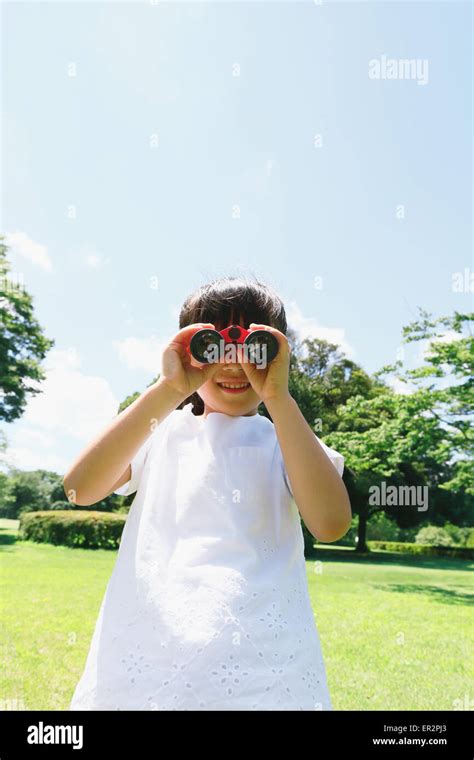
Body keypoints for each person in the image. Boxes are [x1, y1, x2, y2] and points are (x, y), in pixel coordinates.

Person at [65, 275, 351, 711]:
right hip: (153, 654)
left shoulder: (288, 443)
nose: (234, 365)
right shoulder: (161, 433)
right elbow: (79, 488)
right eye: (212, 347)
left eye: (253, 347)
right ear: (187, 349)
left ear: (279, 354)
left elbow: (330, 524)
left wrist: (279, 397)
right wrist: (170, 389)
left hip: (265, 664)